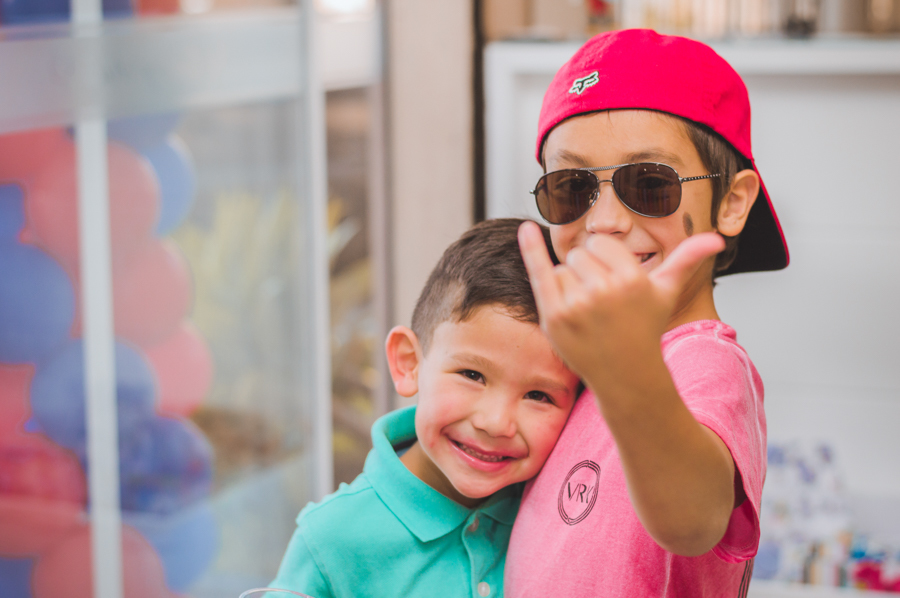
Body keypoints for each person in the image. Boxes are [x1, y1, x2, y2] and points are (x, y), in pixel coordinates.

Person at [504, 29, 790, 597]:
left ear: (732, 202)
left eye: (650, 184)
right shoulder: (587, 356)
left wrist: (627, 369)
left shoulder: (706, 363)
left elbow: (692, 521)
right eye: (571, 187)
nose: (604, 220)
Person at [271, 218, 581, 598]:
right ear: (409, 363)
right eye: (472, 374)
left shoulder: (569, 517)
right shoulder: (329, 542)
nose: (496, 422)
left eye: (539, 396)